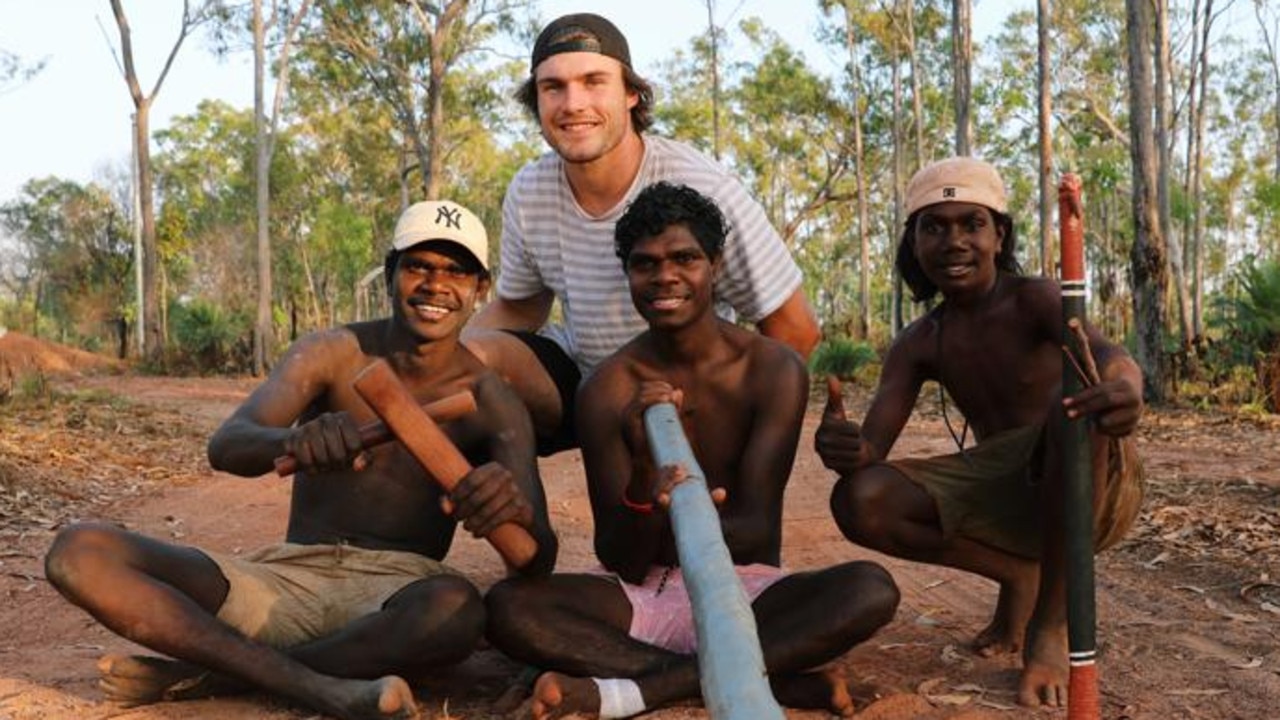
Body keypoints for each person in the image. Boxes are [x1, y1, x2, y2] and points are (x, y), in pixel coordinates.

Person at [43, 200, 559, 720]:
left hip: (399, 593)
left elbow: (537, 558)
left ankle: (215, 677)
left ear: (481, 289)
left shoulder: (493, 399)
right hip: (286, 579)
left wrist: (504, 504)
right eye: (418, 266)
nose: (435, 285)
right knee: (79, 550)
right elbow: (228, 446)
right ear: (390, 273)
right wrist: (293, 442)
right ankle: (321, 688)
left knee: (457, 611)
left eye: (456, 271)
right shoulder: (334, 351)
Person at [484, 182, 898, 719]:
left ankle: (636, 690)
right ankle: (769, 677)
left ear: (716, 265)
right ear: (627, 273)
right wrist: (640, 479)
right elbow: (621, 556)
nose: (665, 277)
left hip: (745, 591)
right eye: (645, 264)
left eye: (685, 258)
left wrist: (676, 512)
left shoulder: (772, 369)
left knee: (869, 589)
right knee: (506, 608)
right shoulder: (607, 389)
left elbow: (751, 530)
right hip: (645, 591)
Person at [815, 157, 1145, 707]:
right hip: (1004, 489)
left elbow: (1109, 355)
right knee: (859, 498)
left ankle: (1051, 626)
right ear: (913, 243)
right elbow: (870, 451)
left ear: (999, 235)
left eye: (972, 223)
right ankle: (1020, 574)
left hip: (1089, 473)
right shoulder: (920, 341)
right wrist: (844, 446)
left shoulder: (1035, 299)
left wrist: (1124, 386)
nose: (954, 241)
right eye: (934, 227)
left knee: (1075, 410)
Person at [462, 12, 821, 456]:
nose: (573, 103)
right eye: (553, 87)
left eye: (593, 81)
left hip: (689, 395)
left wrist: (732, 430)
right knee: (466, 367)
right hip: (588, 388)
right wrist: (434, 363)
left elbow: (795, 329)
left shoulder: (702, 187)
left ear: (632, 93)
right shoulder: (529, 190)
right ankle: (466, 518)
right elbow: (520, 306)